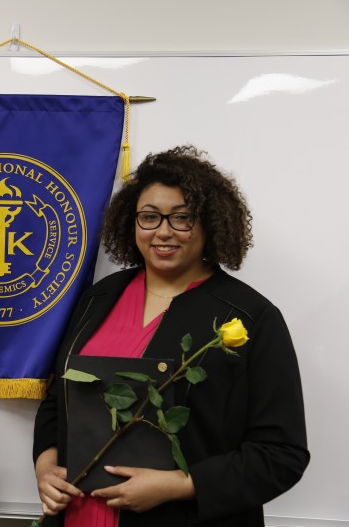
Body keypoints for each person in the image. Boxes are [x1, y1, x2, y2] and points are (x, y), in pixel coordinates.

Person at [33, 146, 309, 526]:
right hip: (78, 514)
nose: (163, 231)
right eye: (149, 217)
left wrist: (178, 484)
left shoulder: (249, 319)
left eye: (182, 218)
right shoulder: (99, 297)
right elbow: (57, 398)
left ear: (210, 223)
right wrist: (46, 465)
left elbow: (281, 454)